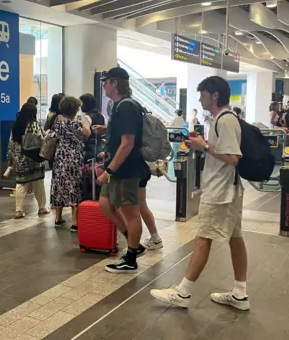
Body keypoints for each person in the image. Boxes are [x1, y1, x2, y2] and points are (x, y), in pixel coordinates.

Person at [150, 76, 249, 311]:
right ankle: (240, 293)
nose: (200, 99)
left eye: (202, 95)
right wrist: (203, 143)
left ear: (214, 96)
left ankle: (183, 293)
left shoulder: (225, 121)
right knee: (235, 239)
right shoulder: (222, 119)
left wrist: (203, 146)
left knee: (203, 239)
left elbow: (233, 157)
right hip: (229, 190)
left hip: (220, 191)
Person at [93, 67, 148, 273]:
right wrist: (107, 130)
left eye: (106, 82)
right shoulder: (118, 106)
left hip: (126, 169)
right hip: (118, 168)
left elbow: (128, 143)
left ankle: (131, 258)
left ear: (115, 83)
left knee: (132, 213)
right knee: (105, 204)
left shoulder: (126, 107)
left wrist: (110, 170)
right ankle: (134, 243)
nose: (104, 86)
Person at [50, 96, 91, 231]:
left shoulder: (57, 120)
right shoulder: (75, 123)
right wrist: (84, 123)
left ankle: (58, 217)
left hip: (59, 157)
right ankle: (74, 221)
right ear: (74, 109)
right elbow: (87, 133)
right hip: (73, 157)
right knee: (74, 186)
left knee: (59, 185)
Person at [7, 103, 49, 219]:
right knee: (38, 183)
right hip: (33, 158)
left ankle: (18, 211)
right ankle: (42, 207)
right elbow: (41, 137)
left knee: (21, 184)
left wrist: (11, 158)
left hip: (19, 159)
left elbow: (11, 144)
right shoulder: (34, 124)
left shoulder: (16, 125)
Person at [79, 93, 106, 161]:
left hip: (89, 149)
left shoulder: (87, 117)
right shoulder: (102, 116)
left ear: (85, 104)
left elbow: (86, 133)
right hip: (100, 147)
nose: (80, 106)